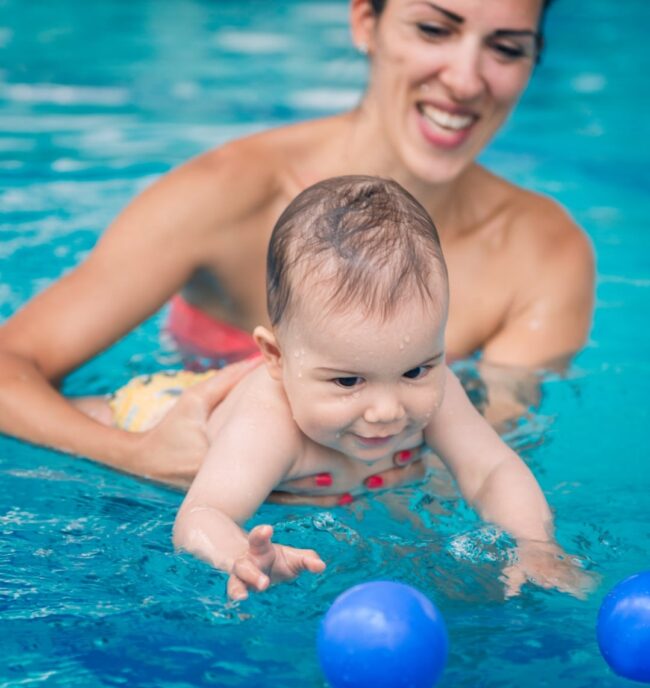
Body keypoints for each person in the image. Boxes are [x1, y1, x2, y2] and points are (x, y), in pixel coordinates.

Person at [0, 0, 594, 493]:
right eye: (434, 29)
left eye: (507, 48)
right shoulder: (226, 195)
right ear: (366, 22)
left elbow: (474, 462)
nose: (466, 80)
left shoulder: (545, 254)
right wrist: (136, 454)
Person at [79, 176, 592, 601]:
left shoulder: (438, 389)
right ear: (276, 358)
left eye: (416, 370)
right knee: (89, 415)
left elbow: (493, 469)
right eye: (348, 380)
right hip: (156, 407)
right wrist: (237, 552)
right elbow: (202, 513)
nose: (388, 410)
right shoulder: (267, 422)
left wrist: (534, 543)